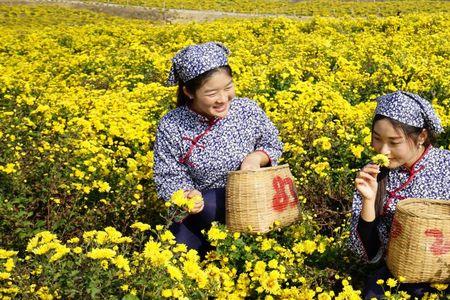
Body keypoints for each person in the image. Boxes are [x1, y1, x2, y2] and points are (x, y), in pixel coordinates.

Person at [153, 42, 283, 257]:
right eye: (212, 93)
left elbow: (272, 143)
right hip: (199, 212)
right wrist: (187, 194)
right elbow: (167, 174)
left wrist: (255, 158)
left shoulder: (247, 109)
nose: (223, 99)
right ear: (188, 91)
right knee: (171, 260)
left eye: (228, 87)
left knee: (216, 201)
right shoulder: (172, 124)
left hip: (252, 205)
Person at [349, 91, 450, 299]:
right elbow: (366, 253)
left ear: (421, 136)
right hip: (398, 276)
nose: (383, 150)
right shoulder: (374, 174)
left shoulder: (446, 165)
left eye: (394, 142)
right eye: (377, 139)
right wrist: (368, 201)